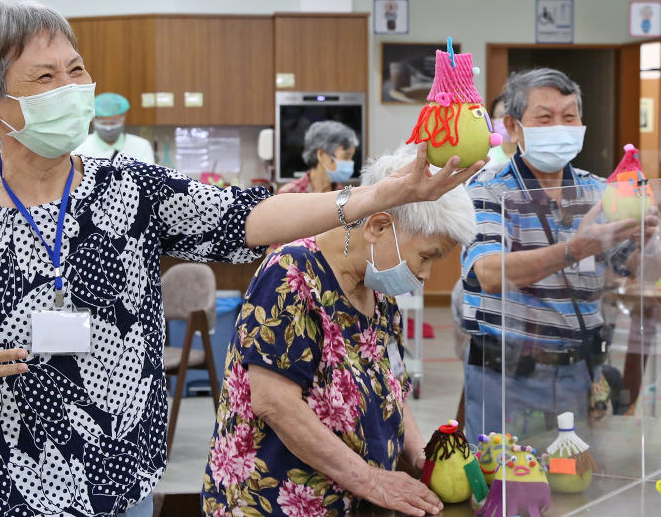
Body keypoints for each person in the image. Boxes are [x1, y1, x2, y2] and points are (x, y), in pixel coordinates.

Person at [0, 0, 483, 517]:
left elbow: (250, 216)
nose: (70, 89)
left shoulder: (127, 189)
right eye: (44, 77)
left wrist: (386, 193)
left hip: (119, 489)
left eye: (75, 70)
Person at [201, 145, 474, 517]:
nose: (425, 275)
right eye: (426, 257)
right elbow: (275, 403)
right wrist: (371, 480)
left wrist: (423, 458)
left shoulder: (378, 291)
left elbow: (391, 386)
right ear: (378, 227)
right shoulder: (291, 274)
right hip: (276, 504)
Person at [461, 68, 657, 440]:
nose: (560, 127)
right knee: (502, 488)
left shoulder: (599, 191)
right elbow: (486, 272)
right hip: (506, 374)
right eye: (544, 117)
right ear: (513, 127)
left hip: (579, 373)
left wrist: (648, 236)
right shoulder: (487, 190)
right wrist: (575, 248)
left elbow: (633, 264)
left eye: (569, 117)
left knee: (578, 485)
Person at [279, 120, 359, 194]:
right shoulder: (289, 193)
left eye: (351, 158)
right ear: (321, 155)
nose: (350, 163)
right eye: (345, 157)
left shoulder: (343, 195)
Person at [72, 92, 155, 163]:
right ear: (93, 120)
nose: (109, 128)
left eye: (113, 123)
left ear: (124, 118)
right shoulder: (79, 147)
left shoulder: (141, 146)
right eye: (103, 123)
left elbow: (149, 179)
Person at [485, 96, 517, 168]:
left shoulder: (530, 157)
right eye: (501, 115)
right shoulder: (487, 158)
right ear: (492, 121)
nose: (507, 121)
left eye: (511, 115)